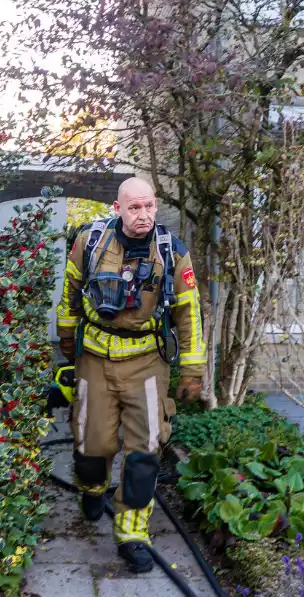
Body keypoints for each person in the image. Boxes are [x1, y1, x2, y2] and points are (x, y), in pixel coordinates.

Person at [55, 177, 206, 572]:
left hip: (146, 364)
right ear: (118, 209)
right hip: (95, 359)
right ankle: (91, 487)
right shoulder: (89, 243)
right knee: (93, 445)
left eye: (149, 206)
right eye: (134, 208)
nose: (143, 215)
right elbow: (70, 292)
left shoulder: (172, 252)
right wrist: (66, 338)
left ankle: (133, 535)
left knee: (144, 454)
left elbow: (189, 314)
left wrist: (192, 370)